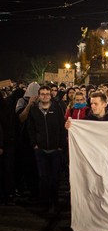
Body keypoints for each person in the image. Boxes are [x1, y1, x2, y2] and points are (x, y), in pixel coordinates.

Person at [27, 85, 67, 213]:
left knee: (55, 178)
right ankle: (45, 203)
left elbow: (62, 127)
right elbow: (31, 129)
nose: (45, 96)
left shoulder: (57, 109)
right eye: (42, 94)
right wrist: (35, 144)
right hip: (41, 150)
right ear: (38, 95)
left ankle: (54, 201)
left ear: (51, 95)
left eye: (47, 94)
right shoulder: (34, 110)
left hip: (56, 150)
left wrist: (61, 146)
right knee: (43, 178)